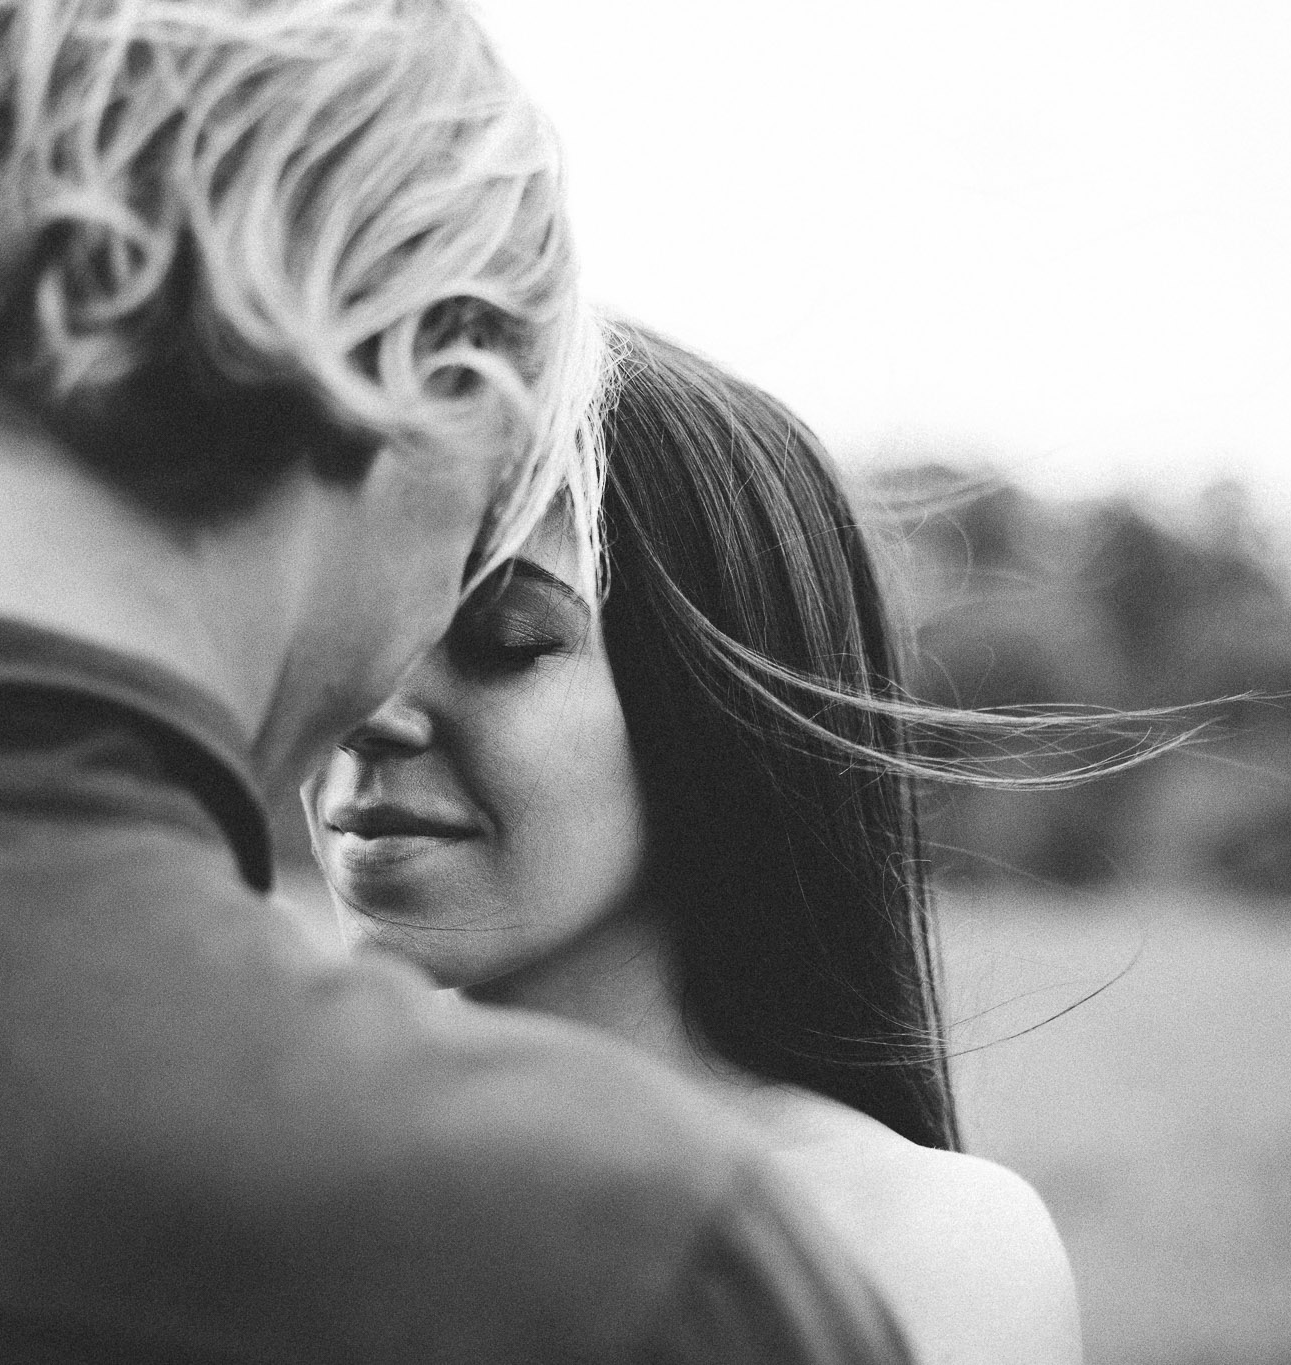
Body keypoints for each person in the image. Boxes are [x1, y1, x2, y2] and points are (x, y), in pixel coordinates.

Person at [0, 6, 914, 1363]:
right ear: (438, 380)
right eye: (480, 531)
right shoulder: (622, 1270)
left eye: (510, 626)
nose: (387, 705)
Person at [309, 321, 1087, 1365]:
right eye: (346, 628)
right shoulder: (232, 1186)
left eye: (507, 643)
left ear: (710, 712)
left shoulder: (911, 1249)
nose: (376, 707)